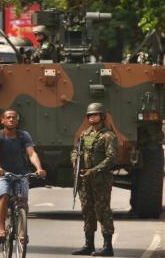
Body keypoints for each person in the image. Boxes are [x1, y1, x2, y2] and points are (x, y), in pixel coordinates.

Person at [0, 109, 46, 242]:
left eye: (14, 117)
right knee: (3, 196)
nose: (11, 119)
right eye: (8, 117)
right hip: (4, 173)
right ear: (2, 120)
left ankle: (22, 232)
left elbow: (31, 153)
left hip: (22, 173)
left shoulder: (23, 136)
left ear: (17, 120)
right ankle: (2, 230)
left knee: (23, 201)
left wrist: (39, 168)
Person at [71, 103, 118, 257]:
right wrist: (74, 159)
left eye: (95, 115)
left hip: (100, 179)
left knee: (102, 211)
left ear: (102, 117)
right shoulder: (85, 135)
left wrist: (94, 170)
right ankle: (89, 245)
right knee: (87, 211)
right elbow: (75, 150)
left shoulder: (108, 136)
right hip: (85, 179)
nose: (92, 117)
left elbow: (111, 158)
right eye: (90, 115)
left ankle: (107, 246)